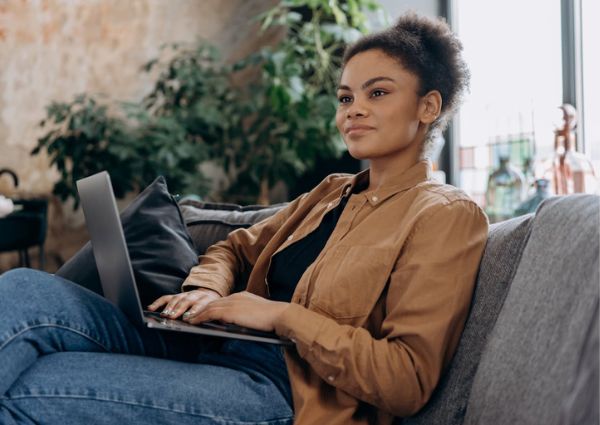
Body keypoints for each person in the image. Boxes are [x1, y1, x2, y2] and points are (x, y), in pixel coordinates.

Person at [0, 12, 488, 425]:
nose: (353, 110)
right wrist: (207, 289)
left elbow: (406, 380)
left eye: (377, 93)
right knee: (22, 286)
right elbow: (234, 246)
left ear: (429, 106)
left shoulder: (445, 216)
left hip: (279, 392)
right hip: (210, 347)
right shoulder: (330, 193)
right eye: (345, 97)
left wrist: (279, 315)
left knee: (30, 387)